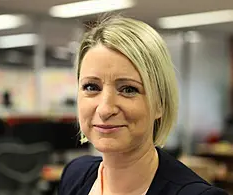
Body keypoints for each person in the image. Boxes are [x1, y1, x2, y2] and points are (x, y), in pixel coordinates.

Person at [58, 16, 228, 195]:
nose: (105, 109)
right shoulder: (75, 175)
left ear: (160, 103)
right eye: (91, 87)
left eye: (128, 89)